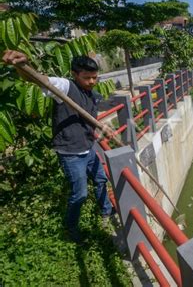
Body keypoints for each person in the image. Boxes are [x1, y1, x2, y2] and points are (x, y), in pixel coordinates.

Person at [2, 50, 115, 244]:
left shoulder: (92, 94)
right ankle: (71, 228)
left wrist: (103, 128)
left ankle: (106, 211)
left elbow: (89, 119)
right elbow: (38, 80)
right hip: (71, 152)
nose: (92, 81)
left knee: (100, 179)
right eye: (87, 78)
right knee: (80, 193)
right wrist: (22, 65)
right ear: (74, 74)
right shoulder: (65, 87)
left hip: (89, 147)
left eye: (95, 77)